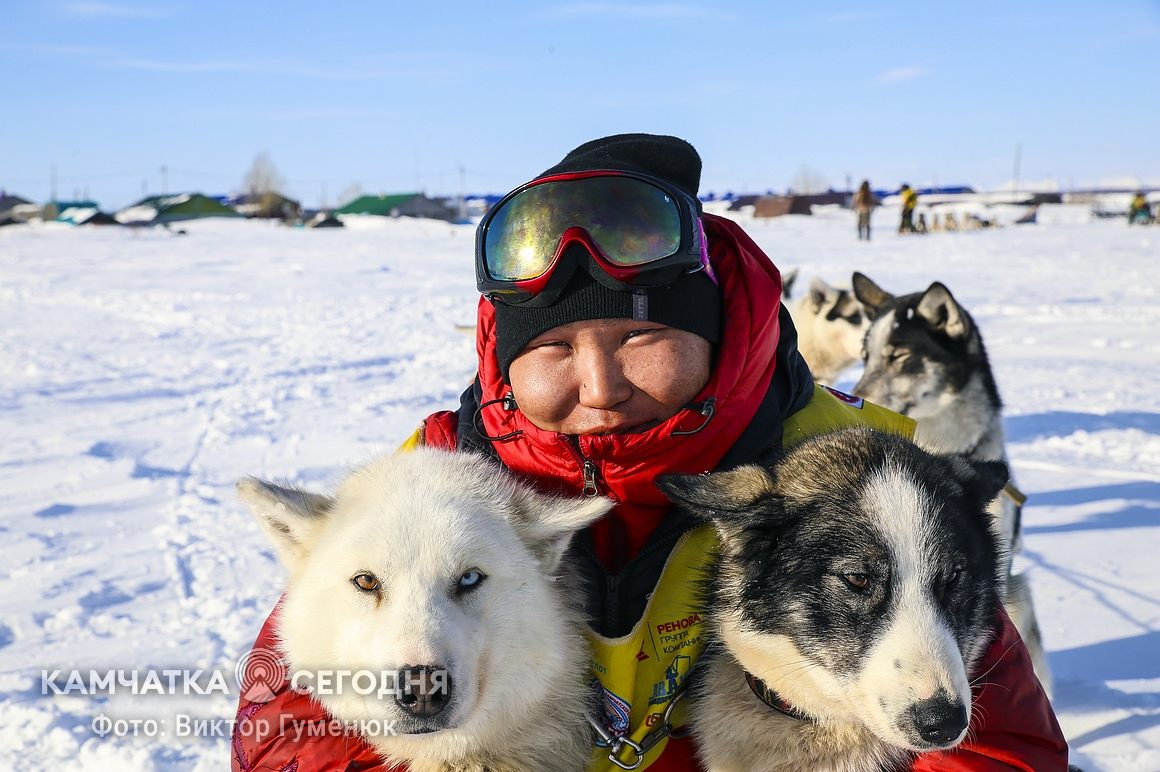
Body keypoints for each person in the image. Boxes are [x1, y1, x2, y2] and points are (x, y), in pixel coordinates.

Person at [231, 134, 1068, 771]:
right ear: (503, 358)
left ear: (710, 330)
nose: (598, 386)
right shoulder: (429, 489)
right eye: (554, 350)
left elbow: (996, 750)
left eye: (640, 336)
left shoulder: (866, 480)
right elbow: (291, 729)